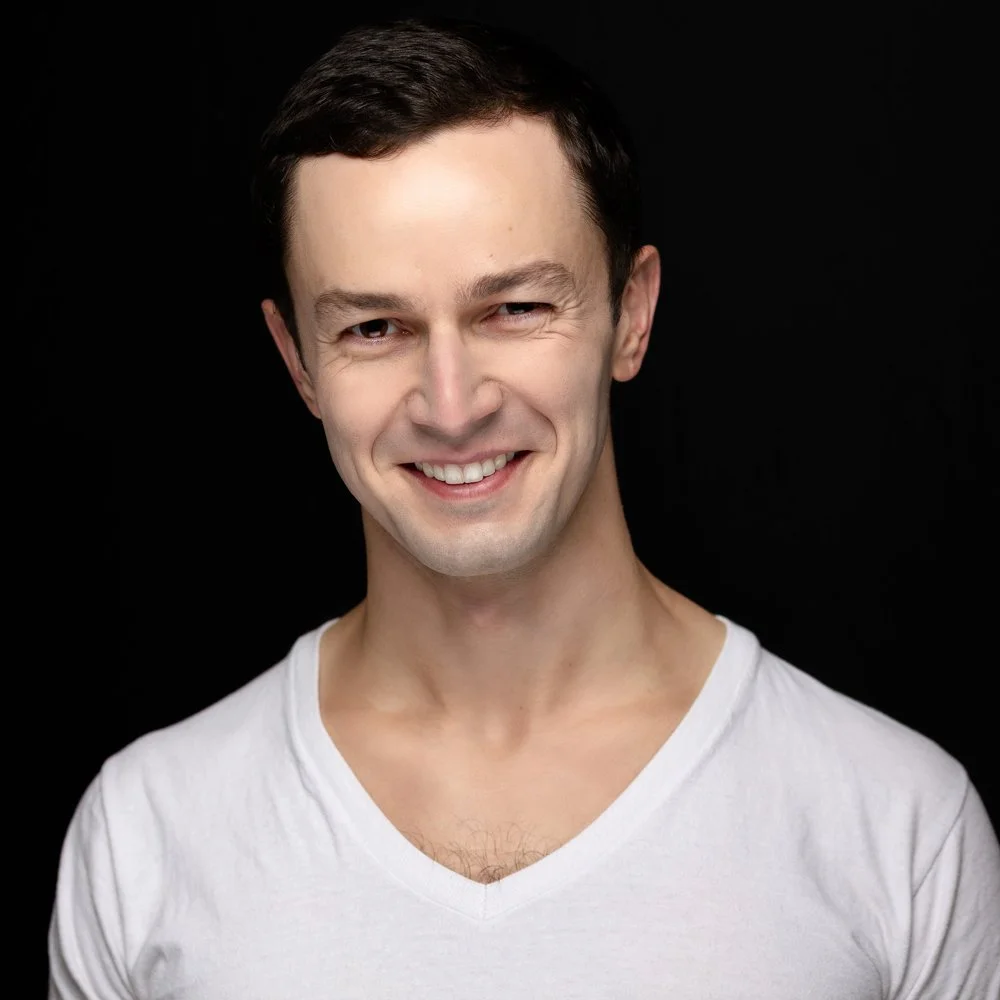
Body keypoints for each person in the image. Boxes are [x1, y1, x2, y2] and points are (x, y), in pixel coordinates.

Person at [48, 16, 999, 999]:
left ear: (631, 315)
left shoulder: (897, 826)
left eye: (515, 309)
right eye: (374, 327)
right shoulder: (146, 837)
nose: (451, 405)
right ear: (298, 363)